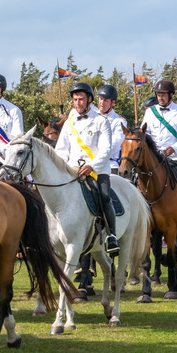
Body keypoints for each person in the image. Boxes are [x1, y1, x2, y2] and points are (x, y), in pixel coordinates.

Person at [55, 82, 119, 256]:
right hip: (72, 169)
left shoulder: (101, 121)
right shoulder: (69, 122)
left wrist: (92, 165)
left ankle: (111, 236)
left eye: (81, 99)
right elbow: (61, 150)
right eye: (75, 100)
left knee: (105, 196)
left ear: (89, 99)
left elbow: (106, 149)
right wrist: (61, 169)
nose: (78, 103)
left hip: (97, 169)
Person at [141, 79, 177, 229]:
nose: (160, 97)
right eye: (158, 94)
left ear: (171, 95)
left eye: (163, 94)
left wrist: (174, 148)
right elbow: (144, 134)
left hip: (175, 157)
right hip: (155, 159)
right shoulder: (150, 112)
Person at [96, 84, 127, 174]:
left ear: (112, 103)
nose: (102, 102)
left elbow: (113, 146)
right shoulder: (91, 117)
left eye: (105, 100)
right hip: (89, 162)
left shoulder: (119, 122)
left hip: (109, 164)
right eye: (100, 99)